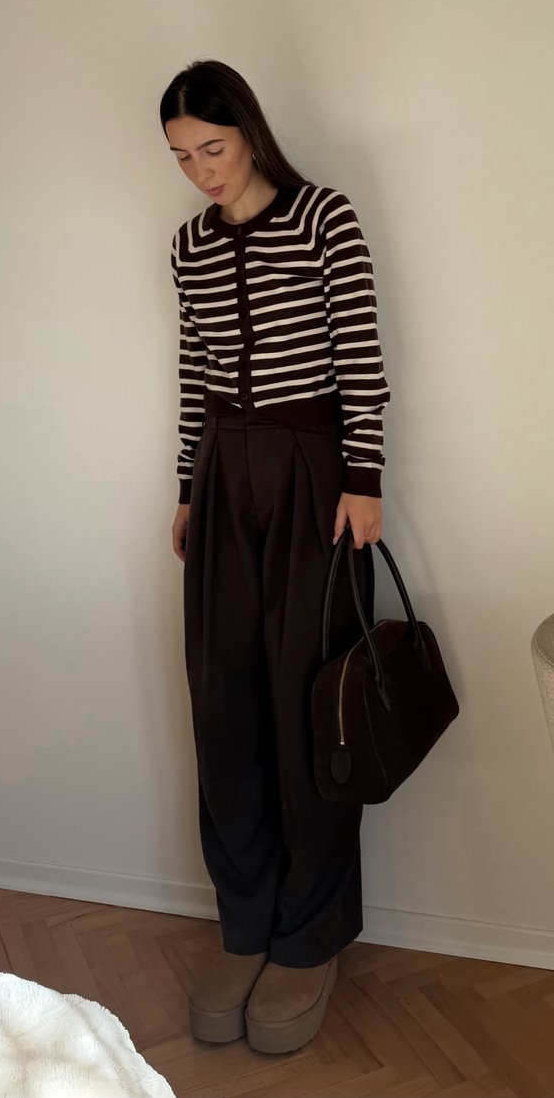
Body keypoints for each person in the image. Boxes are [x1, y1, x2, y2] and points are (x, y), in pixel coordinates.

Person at [159, 59, 390, 1055]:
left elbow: (361, 355)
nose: (200, 171)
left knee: (311, 706)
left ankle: (310, 932)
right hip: (223, 477)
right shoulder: (186, 248)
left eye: (211, 147)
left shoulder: (322, 217)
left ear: (247, 131)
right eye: (180, 157)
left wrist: (365, 480)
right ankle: (245, 917)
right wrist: (183, 487)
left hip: (314, 479)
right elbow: (193, 369)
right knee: (224, 703)